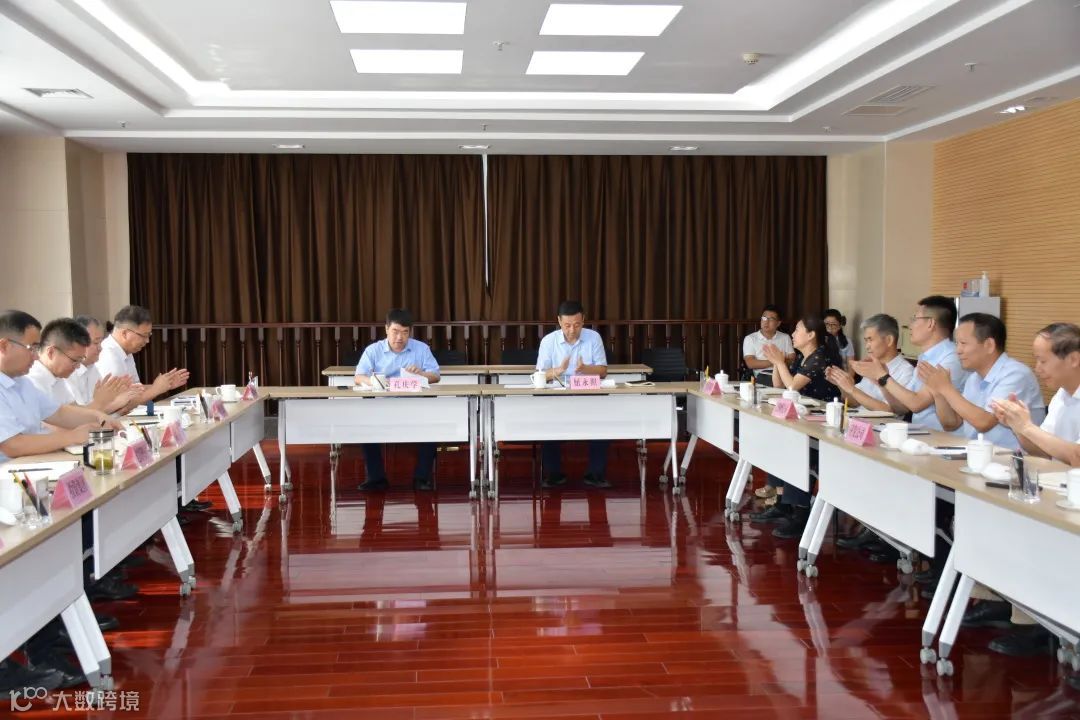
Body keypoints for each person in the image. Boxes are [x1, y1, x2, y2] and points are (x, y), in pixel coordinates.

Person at [968, 322, 1080, 657]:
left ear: (1073, 358)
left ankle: (1040, 625)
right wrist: (1016, 426)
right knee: (997, 516)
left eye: (1043, 360)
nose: (1037, 368)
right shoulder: (1062, 396)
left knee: (1030, 534)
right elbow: (1041, 450)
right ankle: (1013, 608)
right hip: (1060, 490)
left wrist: (1027, 426)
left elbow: (1075, 455)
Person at [748, 312, 840, 539]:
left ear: (810, 335)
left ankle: (800, 512)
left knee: (798, 454)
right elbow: (780, 385)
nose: (793, 334)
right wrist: (776, 363)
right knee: (778, 445)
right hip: (804, 419)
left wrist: (780, 362)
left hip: (822, 424)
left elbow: (792, 387)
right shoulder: (803, 357)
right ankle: (782, 502)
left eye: (798, 330)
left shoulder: (818, 358)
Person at [0, 309, 123, 462]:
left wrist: (98, 417)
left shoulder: (22, 382)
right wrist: (72, 436)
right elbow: (12, 445)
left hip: (29, 464)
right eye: (31, 348)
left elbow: (58, 413)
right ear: (4, 346)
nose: (36, 356)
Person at [918, 312, 1045, 450]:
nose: (958, 350)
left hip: (1012, 459)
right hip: (977, 453)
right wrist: (938, 392)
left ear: (989, 345)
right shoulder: (973, 378)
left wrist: (946, 388)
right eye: (957, 343)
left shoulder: (1016, 374)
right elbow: (951, 424)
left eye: (963, 343)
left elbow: (984, 422)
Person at [353, 308, 441, 491]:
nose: (399, 337)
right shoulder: (373, 350)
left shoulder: (421, 349)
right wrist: (373, 381)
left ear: (410, 332)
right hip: (382, 405)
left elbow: (435, 376)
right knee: (365, 425)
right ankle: (376, 478)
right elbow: (358, 377)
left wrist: (422, 374)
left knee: (433, 425)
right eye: (395, 331)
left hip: (415, 405)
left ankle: (422, 478)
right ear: (386, 329)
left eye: (405, 332)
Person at [853, 295, 968, 431]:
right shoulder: (925, 357)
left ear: (930, 323)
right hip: (922, 434)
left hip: (945, 439)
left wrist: (883, 376)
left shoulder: (951, 358)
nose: (910, 325)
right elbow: (902, 408)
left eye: (915, 318)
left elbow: (916, 404)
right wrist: (881, 382)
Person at [535, 300, 611, 489]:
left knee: (603, 421)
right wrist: (559, 370)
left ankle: (595, 474)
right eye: (567, 325)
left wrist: (585, 368)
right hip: (557, 396)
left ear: (583, 320)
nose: (572, 330)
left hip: (588, 395)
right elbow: (540, 375)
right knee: (547, 422)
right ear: (559, 321)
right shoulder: (549, 341)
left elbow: (603, 371)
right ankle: (554, 474)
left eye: (577, 325)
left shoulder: (593, 338)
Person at [27, 318, 134, 414]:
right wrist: (99, 403)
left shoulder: (57, 377)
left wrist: (107, 402)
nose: (78, 367)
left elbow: (74, 412)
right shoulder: (33, 382)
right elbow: (60, 423)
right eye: (75, 360)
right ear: (51, 352)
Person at [95, 305, 189, 405]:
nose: (147, 341)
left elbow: (135, 390)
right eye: (144, 335)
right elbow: (121, 404)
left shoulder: (126, 351)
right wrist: (156, 389)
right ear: (125, 334)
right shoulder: (109, 357)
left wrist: (166, 385)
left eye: (149, 335)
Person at [826, 314, 914, 413]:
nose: (867, 346)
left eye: (870, 340)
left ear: (889, 340)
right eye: (866, 341)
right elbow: (854, 402)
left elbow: (889, 410)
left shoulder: (906, 371)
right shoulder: (872, 365)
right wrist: (841, 383)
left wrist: (852, 389)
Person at [65, 315, 138, 413]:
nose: (100, 348)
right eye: (95, 343)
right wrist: (116, 404)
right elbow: (79, 415)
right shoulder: (66, 373)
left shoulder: (92, 368)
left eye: (100, 342)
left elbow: (101, 407)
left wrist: (119, 399)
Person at [742, 304, 795, 383]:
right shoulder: (750, 338)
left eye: (771, 319)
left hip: (783, 374)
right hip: (763, 375)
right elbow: (751, 363)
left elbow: (792, 359)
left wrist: (778, 362)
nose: (766, 322)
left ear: (778, 323)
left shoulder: (785, 337)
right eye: (764, 318)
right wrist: (777, 361)